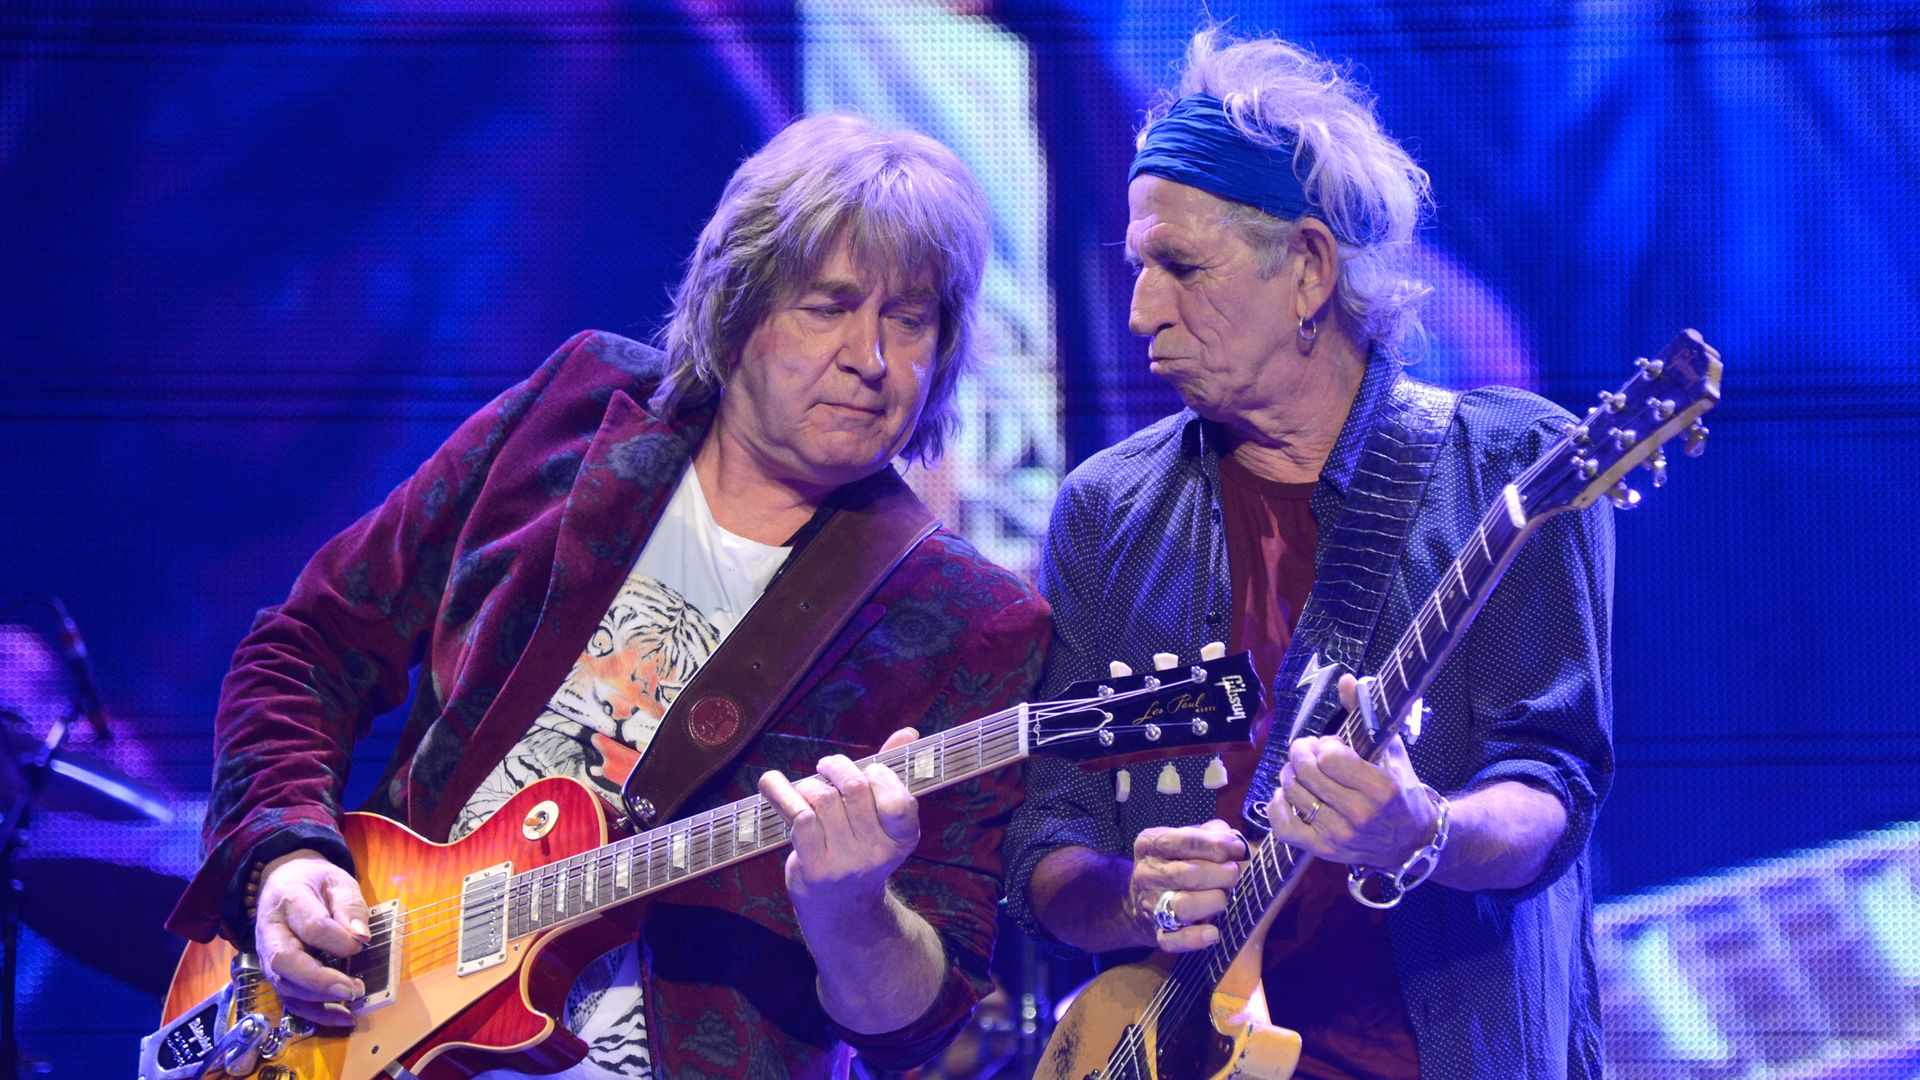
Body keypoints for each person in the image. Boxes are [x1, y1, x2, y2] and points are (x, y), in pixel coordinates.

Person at [165, 112, 1051, 1080]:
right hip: (356, 1029)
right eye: (829, 306)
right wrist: (284, 858)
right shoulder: (574, 412)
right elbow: (309, 645)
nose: (870, 357)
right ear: (738, 303)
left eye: (909, 320)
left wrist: (854, 908)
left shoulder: (970, 620)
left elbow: (915, 1024)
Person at [1003, 28, 1614, 1080]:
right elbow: (1048, 840)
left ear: (1309, 270)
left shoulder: (1509, 466)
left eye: (1179, 267)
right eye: (1138, 267)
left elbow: (1551, 784)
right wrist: (1131, 897)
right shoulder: (1104, 511)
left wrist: (1421, 831)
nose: (1140, 309)